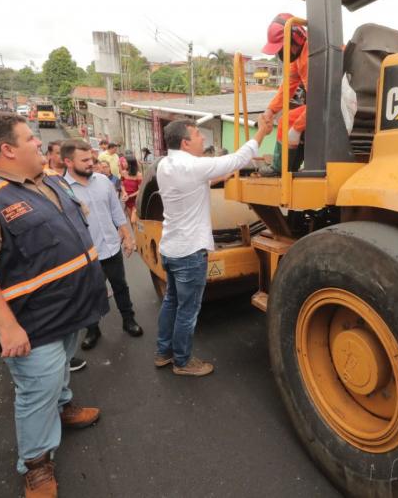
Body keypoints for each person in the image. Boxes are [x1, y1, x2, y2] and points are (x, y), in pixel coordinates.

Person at [0, 112, 107, 497]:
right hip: (30, 321)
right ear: (8, 149)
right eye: (30, 138)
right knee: (35, 390)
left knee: (59, 373)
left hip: (67, 309)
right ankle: (36, 463)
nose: (40, 143)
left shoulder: (45, 181)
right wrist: (7, 327)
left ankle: (63, 407)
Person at [155, 116, 272, 376]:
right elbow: (239, 159)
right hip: (189, 252)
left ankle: (163, 353)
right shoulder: (193, 166)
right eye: (198, 134)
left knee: (171, 302)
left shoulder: (165, 164)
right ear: (185, 142)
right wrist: (262, 131)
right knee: (188, 310)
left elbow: (197, 183)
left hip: (170, 249)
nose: (203, 138)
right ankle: (183, 362)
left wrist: (218, 176)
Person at [62, 139, 143, 351]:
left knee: (121, 287)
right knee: (90, 293)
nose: (92, 163)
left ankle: (129, 321)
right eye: (85, 160)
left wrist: (127, 236)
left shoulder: (103, 181)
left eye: (92, 159)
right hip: (86, 254)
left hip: (112, 248)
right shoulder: (61, 190)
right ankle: (92, 330)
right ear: (68, 162)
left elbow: (116, 211)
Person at [261, 13, 309, 156]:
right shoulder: (299, 57)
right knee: (288, 121)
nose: (281, 54)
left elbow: (320, 101)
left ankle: (281, 169)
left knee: (286, 122)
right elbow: (287, 88)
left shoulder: (314, 55)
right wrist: (270, 111)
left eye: (282, 48)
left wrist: (297, 128)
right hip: (330, 103)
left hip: (338, 103)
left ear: (295, 38)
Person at [121, 154, 142, 222]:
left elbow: (140, 190)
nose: (122, 163)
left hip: (136, 201)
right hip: (127, 201)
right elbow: (122, 185)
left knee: (134, 221)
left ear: (130, 163)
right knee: (131, 222)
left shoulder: (138, 175)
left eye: (124, 162)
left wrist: (129, 196)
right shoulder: (123, 173)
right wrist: (124, 193)